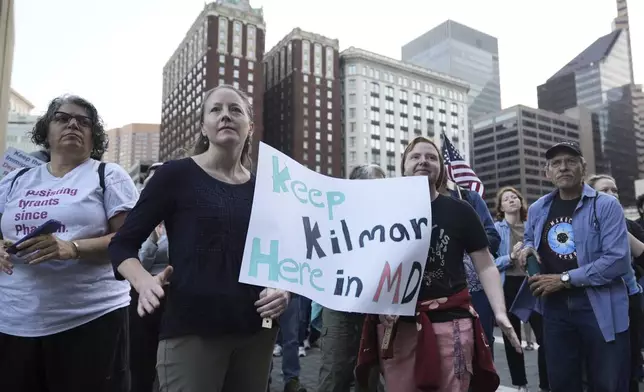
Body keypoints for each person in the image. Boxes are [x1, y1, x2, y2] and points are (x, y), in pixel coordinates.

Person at [108, 84, 290, 392]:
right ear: (203, 126)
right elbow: (122, 243)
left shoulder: (267, 190)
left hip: (256, 333)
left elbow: (283, 258)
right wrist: (142, 281)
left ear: (250, 126)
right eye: (216, 110)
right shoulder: (174, 176)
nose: (225, 116)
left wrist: (283, 289)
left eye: (235, 110)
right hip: (191, 330)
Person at [356, 136, 521, 392]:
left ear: (441, 168)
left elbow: (486, 265)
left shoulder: (461, 210)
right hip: (397, 325)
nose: (424, 161)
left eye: (431, 157)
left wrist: (500, 312)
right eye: (416, 156)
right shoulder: (383, 210)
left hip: (451, 322)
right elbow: (368, 260)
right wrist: (380, 302)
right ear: (404, 166)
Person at [0, 95, 138, 392]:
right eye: (62, 118)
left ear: (93, 136)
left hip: (90, 320)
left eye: (84, 122)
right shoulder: (15, 180)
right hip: (13, 320)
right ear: (46, 131)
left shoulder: (107, 175)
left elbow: (129, 240)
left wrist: (72, 249)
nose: (73, 124)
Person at [516, 142, 631, 392]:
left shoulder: (606, 205)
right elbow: (529, 240)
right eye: (556, 163)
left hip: (599, 306)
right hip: (554, 309)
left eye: (570, 161)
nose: (563, 167)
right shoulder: (537, 209)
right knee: (563, 383)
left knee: (607, 383)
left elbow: (618, 259)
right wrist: (526, 250)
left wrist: (564, 279)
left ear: (583, 167)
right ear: (547, 172)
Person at [317, 164, 386, 392]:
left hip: (377, 309)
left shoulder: (393, 219)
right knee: (335, 374)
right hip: (340, 307)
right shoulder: (332, 215)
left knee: (368, 378)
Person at [587, 174, 644, 391]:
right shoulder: (582, 223)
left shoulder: (630, 226)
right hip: (595, 302)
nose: (612, 195)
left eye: (615, 190)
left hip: (628, 298)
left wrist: (621, 229)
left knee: (629, 365)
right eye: (605, 191)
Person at [494, 187, 548, 392]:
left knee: (544, 336)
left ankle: (545, 385)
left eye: (514, 197)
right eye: (506, 199)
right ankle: (520, 384)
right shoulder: (497, 229)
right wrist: (511, 257)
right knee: (512, 337)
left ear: (520, 201)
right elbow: (490, 262)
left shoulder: (531, 225)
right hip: (508, 285)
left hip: (531, 284)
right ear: (501, 207)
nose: (511, 200)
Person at [440, 179, 500, 356]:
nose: (425, 162)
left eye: (432, 157)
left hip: (475, 287)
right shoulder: (414, 201)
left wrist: (468, 243)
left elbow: (493, 236)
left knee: (483, 343)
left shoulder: (468, 198)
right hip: (437, 292)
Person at [130, 161, 167, 392]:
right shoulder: (141, 217)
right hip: (144, 294)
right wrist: (153, 238)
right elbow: (139, 262)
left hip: (176, 294)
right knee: (141, 361)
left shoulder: (184, 215)